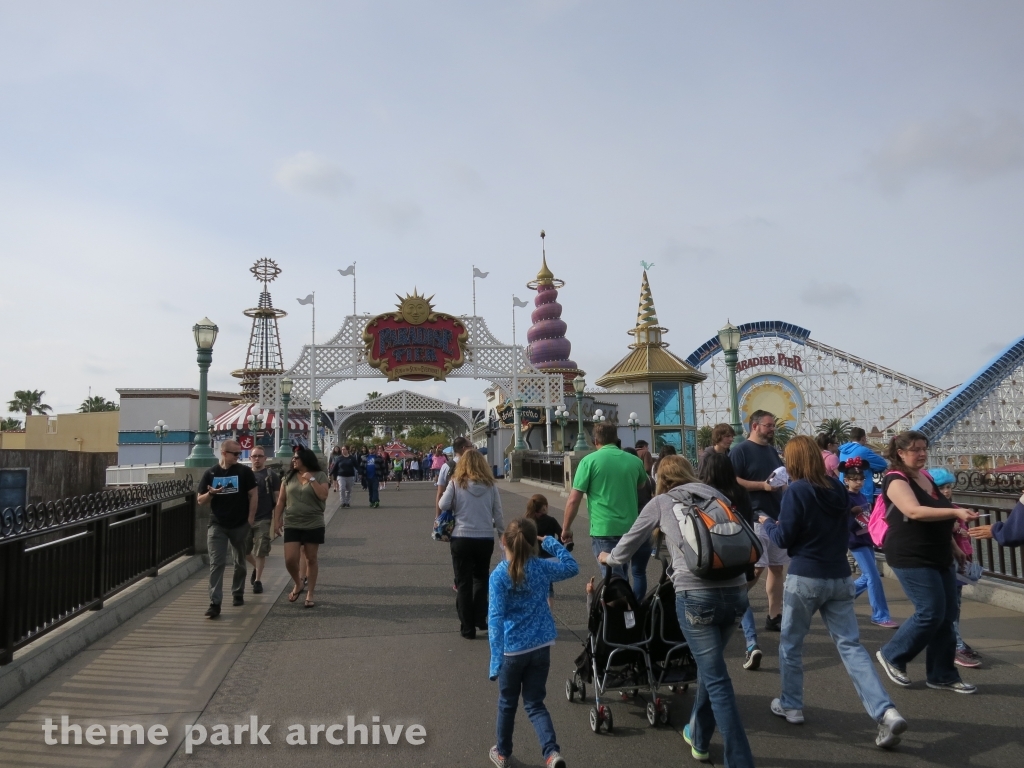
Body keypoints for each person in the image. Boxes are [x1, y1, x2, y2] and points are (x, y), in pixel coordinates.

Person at [599, 456, 755, 767]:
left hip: (696, 596)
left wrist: (607, 557)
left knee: (716, 678)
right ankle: (698, 736)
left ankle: (740, 761)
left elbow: (625, 549)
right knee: (711, 672)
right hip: (737, 592)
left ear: (659, 478)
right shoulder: (716, 495)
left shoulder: (660, 502)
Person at [759, 436, 908, 749]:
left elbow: (784, 538)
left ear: (793, 461)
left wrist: (767, 522)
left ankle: (792, 704)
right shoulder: (838, 488)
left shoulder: (796, 490)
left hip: (805, 577)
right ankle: (886, 711)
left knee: (791, 644)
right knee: (851, 647)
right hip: (839, 576)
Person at [875, 431, 978, 694]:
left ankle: (942, 675)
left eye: (924, 448)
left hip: (939, 554)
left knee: (946, 616)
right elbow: (913, 511)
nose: (921, 454)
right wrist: (955, 511)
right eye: (915, 449)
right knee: (930, 611)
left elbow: (937, 515)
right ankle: (892, 654)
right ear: (900, 453)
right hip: (911, 555)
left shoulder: (926, 477)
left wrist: (954, 546)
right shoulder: (895, 480)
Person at [487, 517, 578, 768]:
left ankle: (503, 752)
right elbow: (572, 567)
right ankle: (551, 753)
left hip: (512, 650)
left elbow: (495, 619)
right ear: (532, 543)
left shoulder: (499, 576)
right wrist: (552, 543)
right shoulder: (541, 567)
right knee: (535, 703)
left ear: (503, 541)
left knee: (507, 703)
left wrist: (495, 660)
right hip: (541, 646)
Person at [561, 423, 651, 602]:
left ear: (596, 441)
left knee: (614, 581)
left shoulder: (589, 461)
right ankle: (632, 613)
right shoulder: (634, 461)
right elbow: (641, 484)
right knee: (625, 575)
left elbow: (573, 499)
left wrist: (566, 528)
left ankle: (621, 621)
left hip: (604, 529)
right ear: (617, 439)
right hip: (631, 528)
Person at [699, 452, 764, 672]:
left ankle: (710, 652)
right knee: (741, 599)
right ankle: (752, 642)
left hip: (713, 555)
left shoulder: (705, 495)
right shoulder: (741, 493)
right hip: (740, 554)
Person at [730, 410, 787, 643]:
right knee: (757, 568)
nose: (773, 429)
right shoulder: (740, 451)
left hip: (776, 515)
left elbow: (780, 479)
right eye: (769, 425)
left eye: (773, 425)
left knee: (776, 567)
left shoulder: (772, 451)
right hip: (755, 516)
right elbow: (732, 480)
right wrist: (762, 487)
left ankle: (775, 616)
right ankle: (736, 604)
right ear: (755, 426)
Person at [439, 448, 504, 639]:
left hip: (461, 536)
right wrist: (502, 534)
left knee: (463, 582)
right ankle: (480, 618)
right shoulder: (491, 486)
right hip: (484, 538)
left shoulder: (456, 483)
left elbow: (443, 504)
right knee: (481, 579)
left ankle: (467, 627)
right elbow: (498, 513)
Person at [197, 440, 258, 618]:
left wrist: (250, 519)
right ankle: (215, 603)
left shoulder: (244, 472)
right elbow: (200, 500)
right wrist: (211, 493)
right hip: (217, 525)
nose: (239, 457)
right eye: (235, 454)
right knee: (217, 563)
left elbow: (254, 494)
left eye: (240, 453)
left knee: (240, 562)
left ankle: (238, 592)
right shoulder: (211, 473)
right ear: (224, 453)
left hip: (240, 524)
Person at [928, 468, 982, 668]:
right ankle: (955, 645)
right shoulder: (940, 511)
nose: (947, 491)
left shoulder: (956, 508)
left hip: (961, 561)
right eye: (942, 488)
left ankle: (956, 641)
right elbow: (946, 527)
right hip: (947, 560)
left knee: (955, 604)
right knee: (950, 606)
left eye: (949, 487)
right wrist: (958, 527)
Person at [841, 457, 898, 628]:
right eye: (854, 479)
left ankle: (841, 598)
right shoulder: (846, 498)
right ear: (846, 480)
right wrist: (851, 513)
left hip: (866, 538)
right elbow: (843, 522)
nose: (858, 482)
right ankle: (880, 615)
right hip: (855, 541)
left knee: (868, 576)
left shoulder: (861, 496)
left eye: (861, 479)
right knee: (873, 577)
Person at [273, 448, 329, 609]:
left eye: (297, 458)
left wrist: (311, 479)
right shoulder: (288, 477)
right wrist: (277, 520)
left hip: (313, 522)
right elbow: (281, 501)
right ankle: (298, 583)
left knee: (311, 559)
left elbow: (323, 495)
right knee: (290, 559)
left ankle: (310, 593)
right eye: (293, 458)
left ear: (305, 459)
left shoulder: (320, 476)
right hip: (292, 522)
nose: (294, 460)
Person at [245, 447, 280, 595]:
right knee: (244, 551)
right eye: (254, 456)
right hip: (245, 520)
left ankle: (258, 581)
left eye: (260, 456)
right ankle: (256, 568)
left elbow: (278, 499)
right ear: (250, 458)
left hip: (264, 518)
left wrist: (278, 520)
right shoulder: (245, 475)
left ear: (265, 458)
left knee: (260, 550)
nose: (257, 459)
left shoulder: (271, 475)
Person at [525, 493, 563, 607]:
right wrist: (557, 547)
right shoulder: (551, 521)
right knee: (548, 586)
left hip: (533, 557)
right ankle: (549, 613)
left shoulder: (528, 521)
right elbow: (562, 536)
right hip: (550, 557)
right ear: (544, 507)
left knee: (533, 583)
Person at [838, 427, 888, 501]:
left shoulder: (842, 451)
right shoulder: (864, 451)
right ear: (863, 438)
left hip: (844, 490)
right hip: (862, 492)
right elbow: (883, 464)